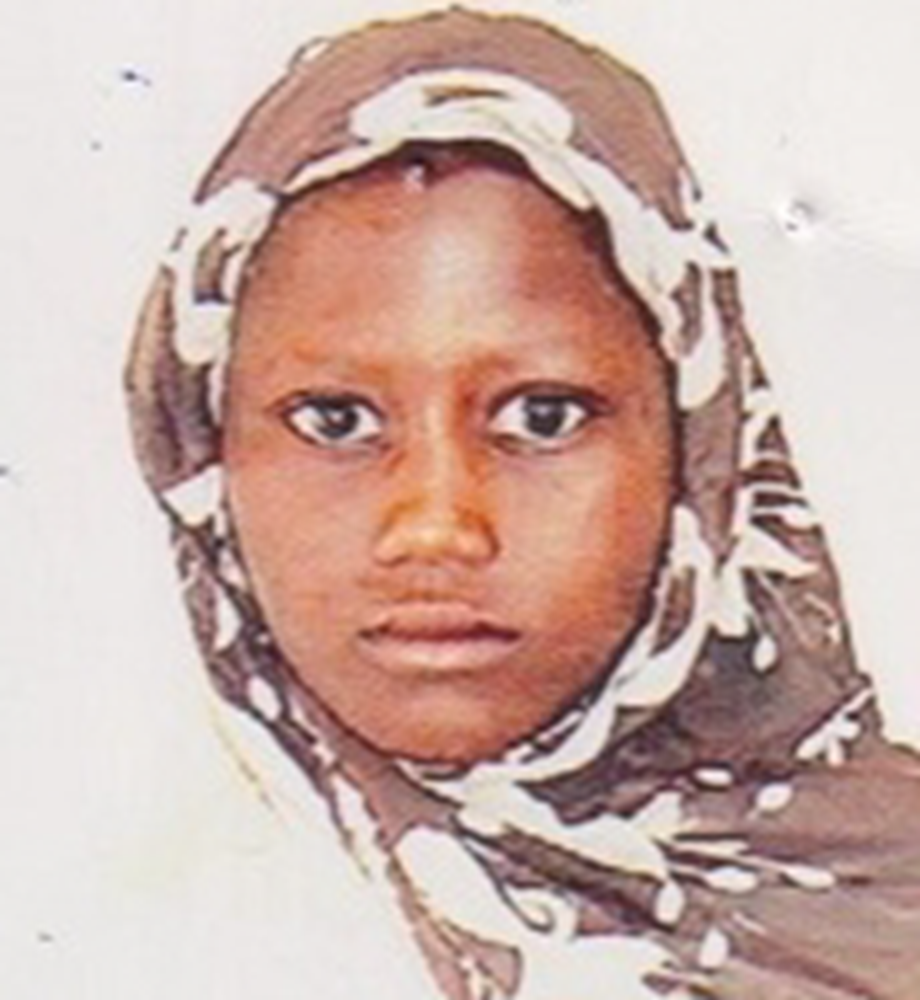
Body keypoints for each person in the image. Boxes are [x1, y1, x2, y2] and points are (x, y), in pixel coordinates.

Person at [125, 8, 920, 998]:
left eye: (543, 417)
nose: (436, 526)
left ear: (696, 451)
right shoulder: (120, 916)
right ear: (202, 452)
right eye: (335, 420)